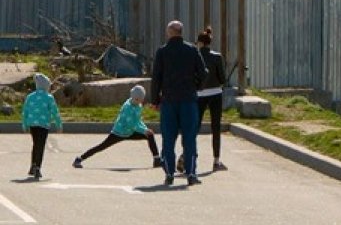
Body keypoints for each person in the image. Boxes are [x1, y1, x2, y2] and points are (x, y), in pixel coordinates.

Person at [150, 20, 206, 186]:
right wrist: (195, 87)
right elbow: (203, 73)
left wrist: (155, 100)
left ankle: (169, 173)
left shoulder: (162, 52)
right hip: (188, 99)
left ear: (169, 33)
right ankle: (191, 174)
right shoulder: (192, 50)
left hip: (169, 100)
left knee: (168, 138)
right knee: (189, 138)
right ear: (181, 32)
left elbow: (156, 78)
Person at [73, 84, 162, 169]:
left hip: (130, 132)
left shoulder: (138, 105)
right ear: (133, 97)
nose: (138, 101)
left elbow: (137, 121)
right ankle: (79, 159)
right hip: (119, 133)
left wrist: (146, 129)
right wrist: (143, 131)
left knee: (150, 135)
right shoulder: (128, 108)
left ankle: (157, 159)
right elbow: (131, 124)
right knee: (101, 146)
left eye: (140, 99)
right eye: (137, 99)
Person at [195, 27, 228, 171]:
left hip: (199, 94)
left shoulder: (195, 55)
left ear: (200, 42)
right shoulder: (217, 57)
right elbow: (222, 78)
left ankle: (186, 155)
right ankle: (216, 160)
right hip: (215, 93)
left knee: (194, 127)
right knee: (216, 127)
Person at [21, 73, 62, 180]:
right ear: (46, 86)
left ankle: (33, 165)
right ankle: (38, 167)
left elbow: (25, 111)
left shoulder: (30, 97)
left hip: (32, 124)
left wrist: (24, 124)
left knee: (35, 144)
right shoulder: (49, 97)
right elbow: (54, 111)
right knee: (41, 145)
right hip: (44, 125)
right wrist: (58, 124)